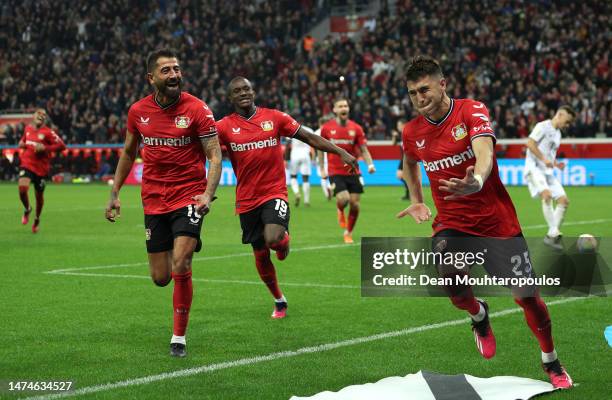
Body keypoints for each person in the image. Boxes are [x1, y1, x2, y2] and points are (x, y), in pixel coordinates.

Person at [398, 56, 572, 389]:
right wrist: (416, 198)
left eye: (424, 89)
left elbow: (485, 155)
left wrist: (476, 180)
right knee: (452, 283)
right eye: (412, 93)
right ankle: (478, 314)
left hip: (497, 223)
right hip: (452, 223)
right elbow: (408, 162)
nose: (419, 99)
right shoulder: (411, 131)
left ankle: (551, 360)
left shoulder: (471, 110)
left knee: (528, 298)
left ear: (442, 84)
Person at [104, 49, 222, 358]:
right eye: (166, 70)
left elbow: (214, 154)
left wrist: (208, 193)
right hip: (154, 198)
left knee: (181, 262)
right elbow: (129, 152)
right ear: (151, 78)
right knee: (160, 277)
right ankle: (188, 239)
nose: (174, 75)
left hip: (189, 195)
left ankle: (178, 337)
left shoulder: (198, 109)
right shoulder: (137, 112)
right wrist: (115, 192)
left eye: (177, 69)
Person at [216, 77, 357, 319]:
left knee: (273, 238)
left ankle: (283, 240)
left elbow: (310, 137)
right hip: (246, 199)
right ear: (230, 98)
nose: (243, 93)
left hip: (274, 192)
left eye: (247, 89)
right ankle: (279, 299)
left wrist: (340, 151)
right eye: (237, 91)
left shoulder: (274, 117)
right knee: (260, 254)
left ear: (253, 91)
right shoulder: (223, 127)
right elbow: (205, 152)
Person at [319, 99, 376, 244]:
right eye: (340, 106)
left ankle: (348, 232)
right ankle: (340, 209)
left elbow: (363, 149)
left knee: (355, 205)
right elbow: (320, 148)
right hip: (335, 171)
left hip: (353, 171)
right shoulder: (326, 128)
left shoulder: (356, 128)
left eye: (345, 106)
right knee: (344, 199)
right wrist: (321, 168)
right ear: (335, 110)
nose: (344, 108)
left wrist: (370, 164)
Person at [524, 106, 575, 250]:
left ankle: (551, 236)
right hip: (534, 168)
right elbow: (530, 144)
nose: (567, 125)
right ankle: (554, 233)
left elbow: (549, 154)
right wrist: (543, 159)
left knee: (564, 201)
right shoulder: (543, 126)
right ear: (559, 114)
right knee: (546, 195)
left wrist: (556, 164)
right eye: (567, 121)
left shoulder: (558, 134)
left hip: (547, 171)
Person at [17, 108, 66, 233]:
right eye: (39, 113)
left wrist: (45, 148)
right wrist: (21, 143)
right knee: (22, 189)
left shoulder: (48, 132)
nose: (42, 115)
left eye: (44, 115)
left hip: (41, 169)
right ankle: (27, 209)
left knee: (39, 197)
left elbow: (62, 146)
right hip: (27, 164)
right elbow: (23, 140)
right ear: (33, 115)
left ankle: (37, 219)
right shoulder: (27, 129)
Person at [287, 126, 313, 206]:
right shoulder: (309, 129)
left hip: (295, 155)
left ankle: (297, 192)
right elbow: (312, 143)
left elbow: (288, 145)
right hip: (305, 155)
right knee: (306, 179)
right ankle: (306, 201)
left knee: (293, 177)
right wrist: (311, 157)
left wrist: (285, 159)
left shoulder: (291, 128)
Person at [391, 118, 409, 200]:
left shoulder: (408, 133)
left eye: (399, 125)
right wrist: (394, 136)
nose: (398, 127)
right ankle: (409, 193)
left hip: (408, 158)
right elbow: (393, 144)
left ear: (403, 125)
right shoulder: (400, 135)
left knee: (401, 176)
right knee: (401, 176)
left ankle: (409, 193)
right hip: (403, 158)